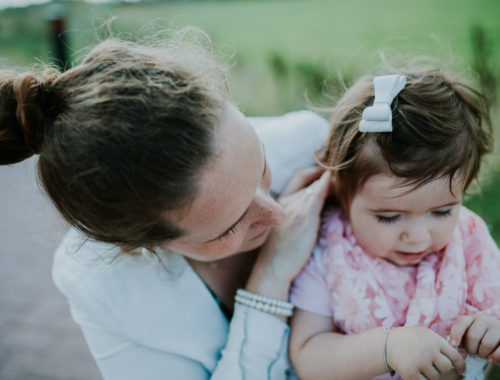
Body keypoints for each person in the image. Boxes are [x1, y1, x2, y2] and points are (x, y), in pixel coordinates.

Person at [0, 28, 331, 379]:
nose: (278, 214)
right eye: (230, 226)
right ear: (146, 242)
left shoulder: (308, 144)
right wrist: (271, 278)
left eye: (262, 165)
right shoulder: (106, 294)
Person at [288, 69, 500, 380]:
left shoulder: (469, 243)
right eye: (388, 217)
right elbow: (308, 356)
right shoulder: (328, 252)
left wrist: (490, 331)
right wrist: (386, 348)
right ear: (341, 195)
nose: (417, 237)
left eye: (441, 212)